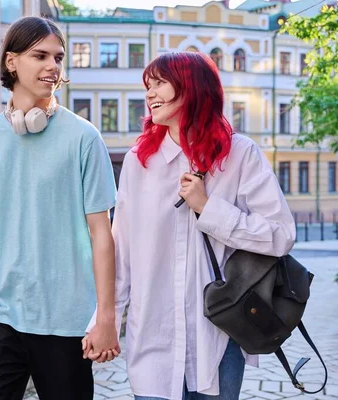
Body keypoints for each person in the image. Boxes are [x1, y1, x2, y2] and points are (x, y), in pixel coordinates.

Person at [83, 52, 296, 399]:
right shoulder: (141, 161)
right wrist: (104, 321)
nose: (150, 94)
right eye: (147, 86)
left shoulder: (239, 155)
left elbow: (281, 234)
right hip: (153, 336)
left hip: (218, 338)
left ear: (193, 88)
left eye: (160, 83)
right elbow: (122, 253)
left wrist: (209, 209)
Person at [0, 16, 120, 399]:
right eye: (40, 55)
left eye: (58, 57)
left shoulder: (84, 137)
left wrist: (106, 317)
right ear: (11, 62)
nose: (53, 66)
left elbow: (102, 234)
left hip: (66, 320)